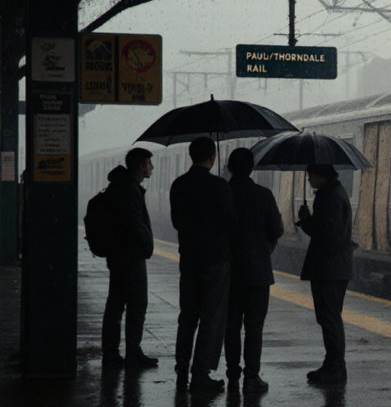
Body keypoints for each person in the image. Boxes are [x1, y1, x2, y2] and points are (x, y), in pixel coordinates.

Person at [170, 137, 236, 394]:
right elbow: (230, 222)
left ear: (191, 155)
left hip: (189, 258)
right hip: (215, 260)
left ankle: (181, 370)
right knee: (211, 317)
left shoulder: (179, 184)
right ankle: (200, 375)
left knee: (187, 316)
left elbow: (176, 222)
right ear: (212, 156)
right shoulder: (219, 185)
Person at [224, 148, 283, 393]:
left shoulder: (223, 193)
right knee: (254, 326)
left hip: (227, 271)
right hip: (257, 272)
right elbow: (277, 230)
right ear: (251, 168)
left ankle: (232, 373)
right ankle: (251, 377)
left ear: (229, 168)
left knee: (231, 326)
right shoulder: (264, 195)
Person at [296, 164, 355, 385]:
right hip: (333, 266)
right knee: (330, 317)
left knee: (329, 318)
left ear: (322, 174)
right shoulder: (332, 193)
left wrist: (307, 220)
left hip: (329, 267)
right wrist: (308, 220)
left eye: (310, 174)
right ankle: (335, 365)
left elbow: (330, 234)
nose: (308, 178)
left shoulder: (331, 197)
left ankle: (334, 367)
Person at [101, 147, 158, 369]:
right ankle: (133, 352)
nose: (152, 167)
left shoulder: (121, 185)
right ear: (140, 167)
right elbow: (132, 222)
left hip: (119, 255)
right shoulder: (129, 188)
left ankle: (111, 353)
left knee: (116, 303)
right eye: (149, 164)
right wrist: (145, 242)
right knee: (137, 304)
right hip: (130, 256)